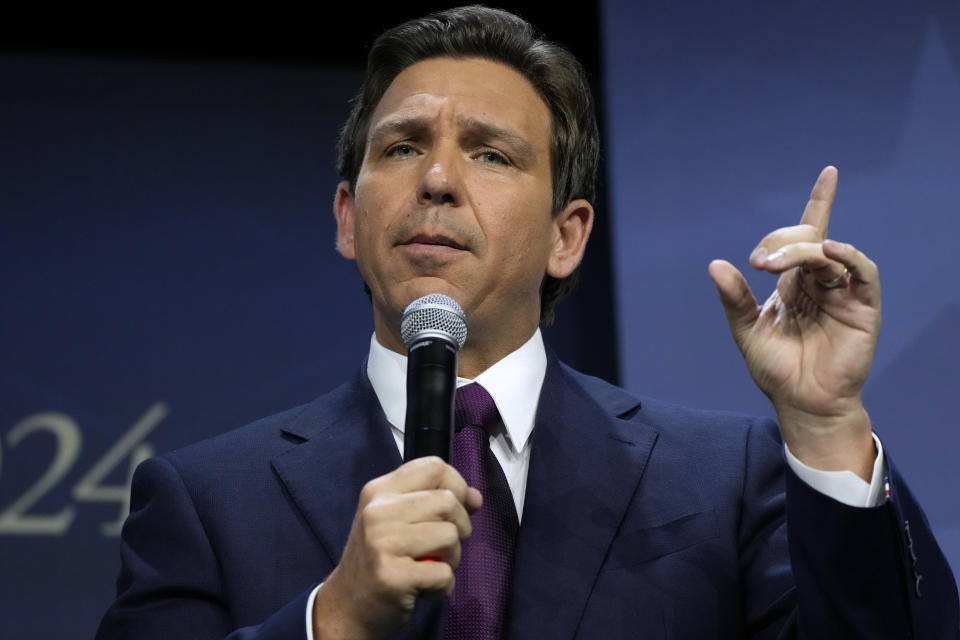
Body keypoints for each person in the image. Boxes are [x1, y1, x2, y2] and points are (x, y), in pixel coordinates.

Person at [97, 6, 959, 639]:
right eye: (401, 148)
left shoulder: (723, 480)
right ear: (348, 220)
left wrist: (824, 422)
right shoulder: (207, 501)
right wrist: (335, 621)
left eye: (490, 153)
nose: (437, 180)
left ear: (565, 235)